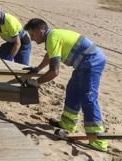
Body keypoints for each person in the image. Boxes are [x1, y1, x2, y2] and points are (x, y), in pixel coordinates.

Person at [24, 18, 108, 151]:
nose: (32, 39)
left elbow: (54, 72)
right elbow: (50, 54)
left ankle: (98, 141)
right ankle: (68, 124)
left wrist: (36, 82)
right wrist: (38, 68)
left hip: (93, 62)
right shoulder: (52, 36)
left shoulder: (52, 38)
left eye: (32, 35)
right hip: (83, 64)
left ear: (40, 31)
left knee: (88, 98)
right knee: (73, 90)